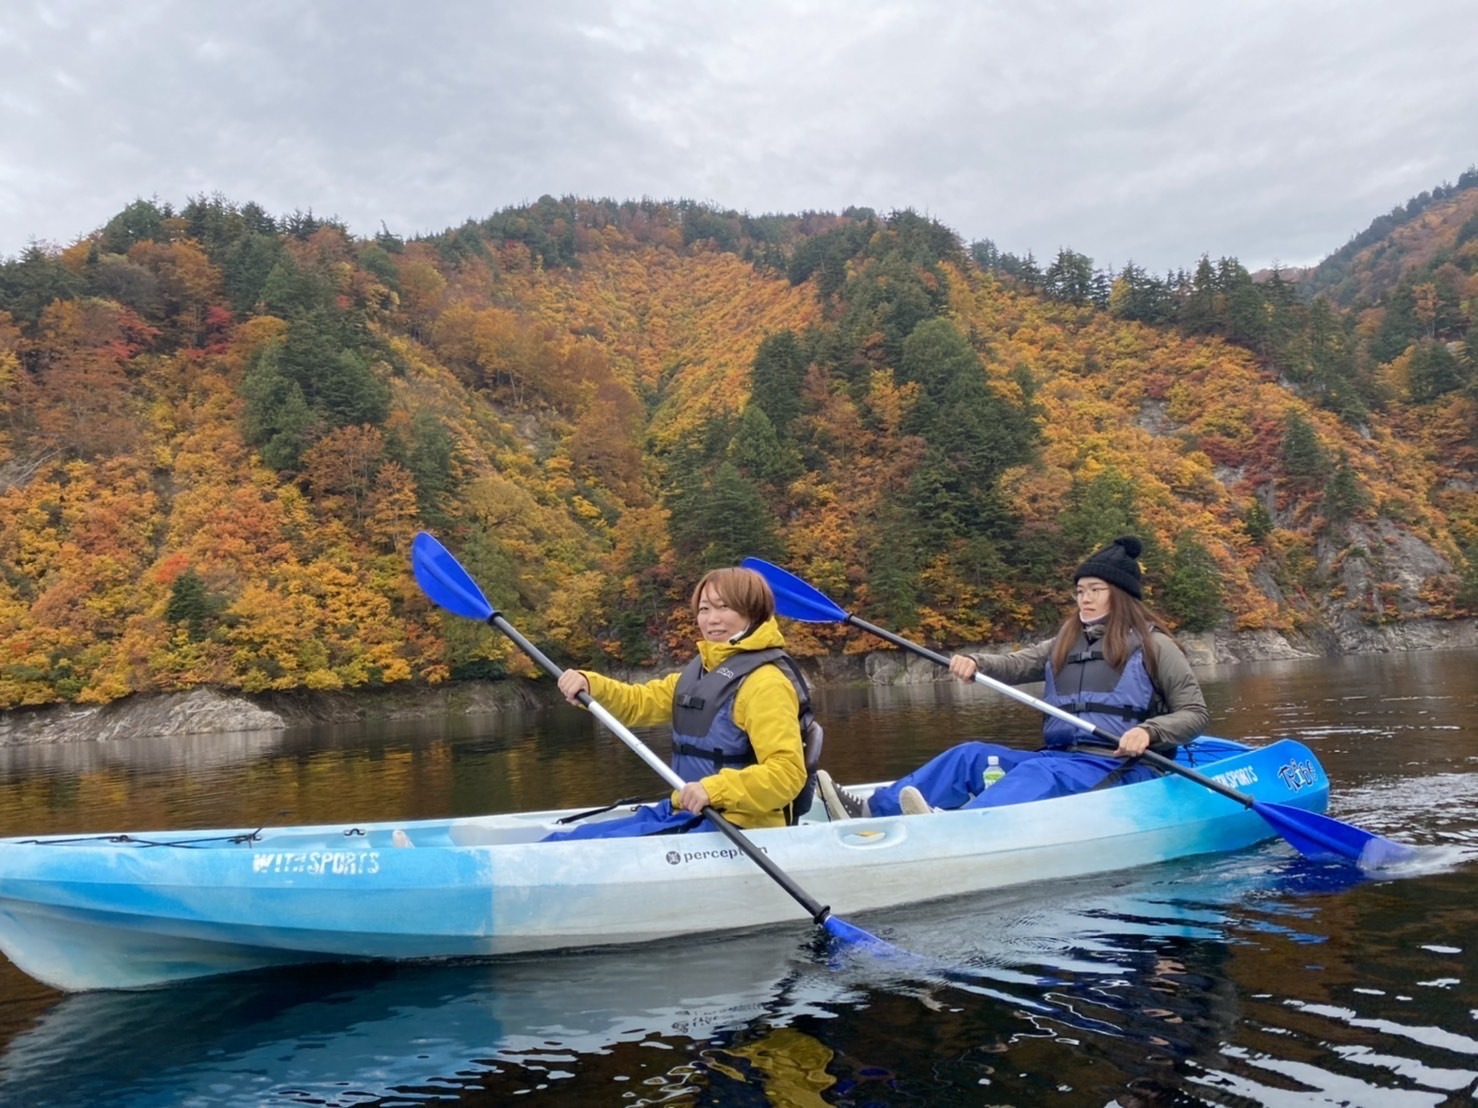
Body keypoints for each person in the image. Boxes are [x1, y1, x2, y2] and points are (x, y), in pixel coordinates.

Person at [817, 536, 1209, 819]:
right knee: (969, 755)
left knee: (1038, 772)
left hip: (1119, 769)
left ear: (1120, 595)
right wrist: (975, 662)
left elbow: (1194, 713)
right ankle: (871, 808)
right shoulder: (1065, 641)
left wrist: (1150, 732)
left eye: (1095, 590)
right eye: (1079, 590)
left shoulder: (1155, 648)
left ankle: (956, 827)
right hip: (1062, 761)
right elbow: (1015, 664)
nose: (1084, 598)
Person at [544, 566, 811, 840]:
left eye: (724, 607)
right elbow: (638, 702)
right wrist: (591, 685)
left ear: (752, 612)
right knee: (569, 838)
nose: (711, 620)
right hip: (686, 811)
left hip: (739, 826)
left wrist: (713, 790)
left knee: (564, 844)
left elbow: (786, 774)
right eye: (704, 609)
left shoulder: (765, 684)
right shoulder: (700, 672)